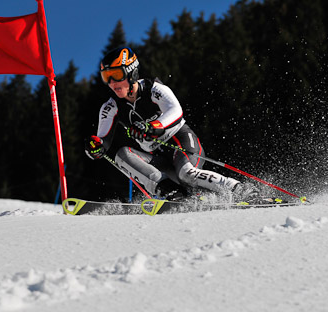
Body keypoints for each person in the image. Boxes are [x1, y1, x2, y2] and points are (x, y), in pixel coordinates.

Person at [85, 46, 243, 201]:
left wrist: (152, 127)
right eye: (106, 77)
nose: (112, 83)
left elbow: (176, 111)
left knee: (186, 174)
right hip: (158, 158)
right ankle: (171, 192)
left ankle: (238, 189)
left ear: (131, 72)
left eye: (117, 75)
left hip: (180, 143)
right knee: (122, 155)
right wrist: (95, 147)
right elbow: (102, 140)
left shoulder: (153, 89)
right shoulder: (110, 107)